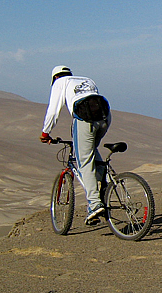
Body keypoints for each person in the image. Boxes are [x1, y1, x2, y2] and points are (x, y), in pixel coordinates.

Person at [40, 65, 111, 225]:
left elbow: (53, 111)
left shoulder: (60, 82)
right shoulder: (87, 79)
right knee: (91, 150)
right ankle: (104, 180)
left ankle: (94, 204)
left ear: (54, 78)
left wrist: (45, 133)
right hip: (105, 118)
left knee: (84, 162)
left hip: (85, 120)